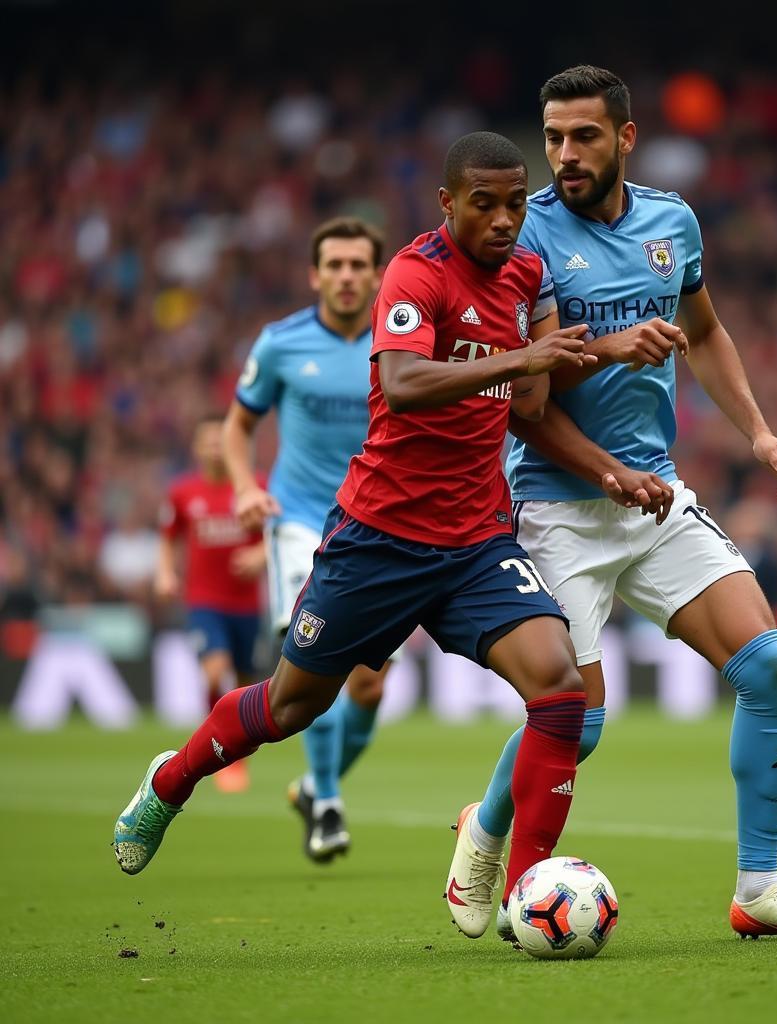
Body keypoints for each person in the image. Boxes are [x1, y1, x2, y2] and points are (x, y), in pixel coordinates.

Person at [113, 134, 667, 919]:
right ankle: (171, 781)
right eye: (486, 203)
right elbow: (404, 384)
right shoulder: (414, 272)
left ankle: (523, 889)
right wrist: (518, 360)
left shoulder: (527, 276)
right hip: (379, 538)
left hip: (476, 540)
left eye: (516, 202)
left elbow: (535, 400)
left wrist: (597, 353)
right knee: (289, 707)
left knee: (561, 689)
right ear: (449, 204)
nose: (506, 219)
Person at [448, 67, 777, 942]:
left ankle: (759, 892)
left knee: (769, 668)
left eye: (583, 136)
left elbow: (703, 331)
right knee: (578, 723)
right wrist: (605, 355)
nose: (563, 155)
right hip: (561, 506)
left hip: (653, 495)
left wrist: (754, 429)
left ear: (625, 138)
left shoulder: (672, 223)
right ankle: (484, 830)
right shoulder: (526, 244)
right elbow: (528, 407)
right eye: (552, 137)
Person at [223, 216, 393, 861]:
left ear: (377, 275)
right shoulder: (281, 343)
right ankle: (326, 802)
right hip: (297, 521)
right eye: (335, 265)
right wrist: (244, 487)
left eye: (358, 265)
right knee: (313, 661)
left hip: (377, 525)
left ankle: (316, 787)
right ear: (314, 274)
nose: (347, 276)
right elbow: (239, 427)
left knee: (370, 688)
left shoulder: (401, 341)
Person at [154, 415, 266, 793]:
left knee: (249, 689)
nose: (216, 448)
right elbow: (168, 537)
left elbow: (282, 534)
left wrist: (262, 556)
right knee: (216, 673)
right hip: (204, 603)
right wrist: (166, 573)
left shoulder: (255, 488)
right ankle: (218, 751)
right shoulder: (183, 493)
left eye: (222, 441)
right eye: (209, 442)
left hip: (249, 605)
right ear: (197, 448)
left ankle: (237, 757)